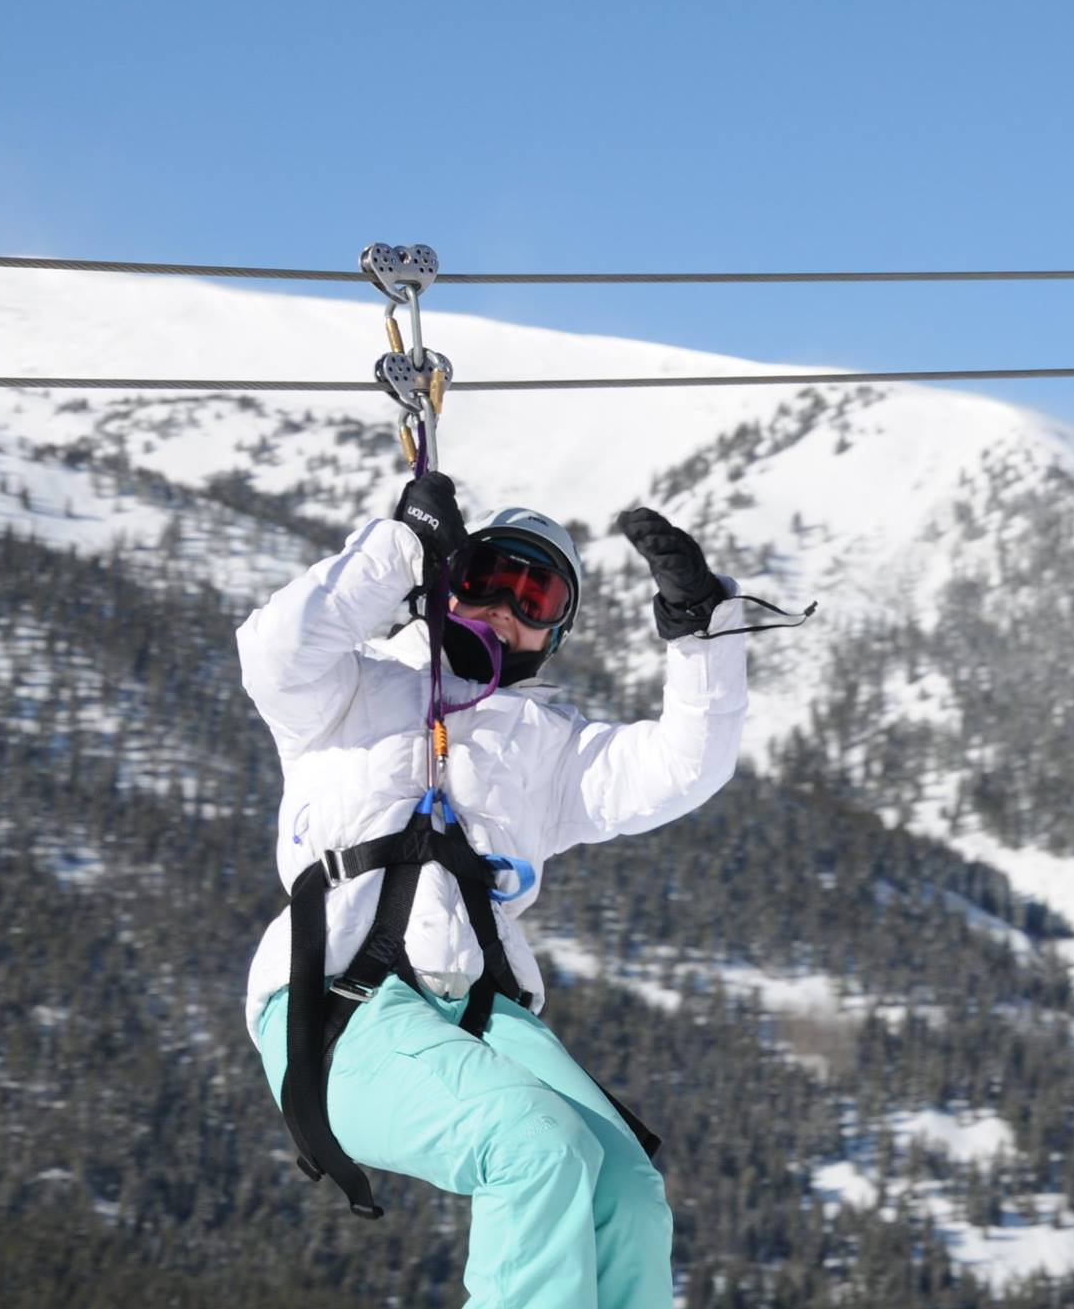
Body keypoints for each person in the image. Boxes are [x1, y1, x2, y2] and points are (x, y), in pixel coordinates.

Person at [238, 472, 749, 1309]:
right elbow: (272, 650)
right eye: (487, 581)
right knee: (534, 1146)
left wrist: (702, 634)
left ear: (554, 634)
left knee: (624, 1191)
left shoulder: (547, 751)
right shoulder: (349, 692)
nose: (507, 609)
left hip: (475, 1011)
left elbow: (685, 767)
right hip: (338, 1005)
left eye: (536, 596)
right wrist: (401, 546)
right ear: (447, 586)